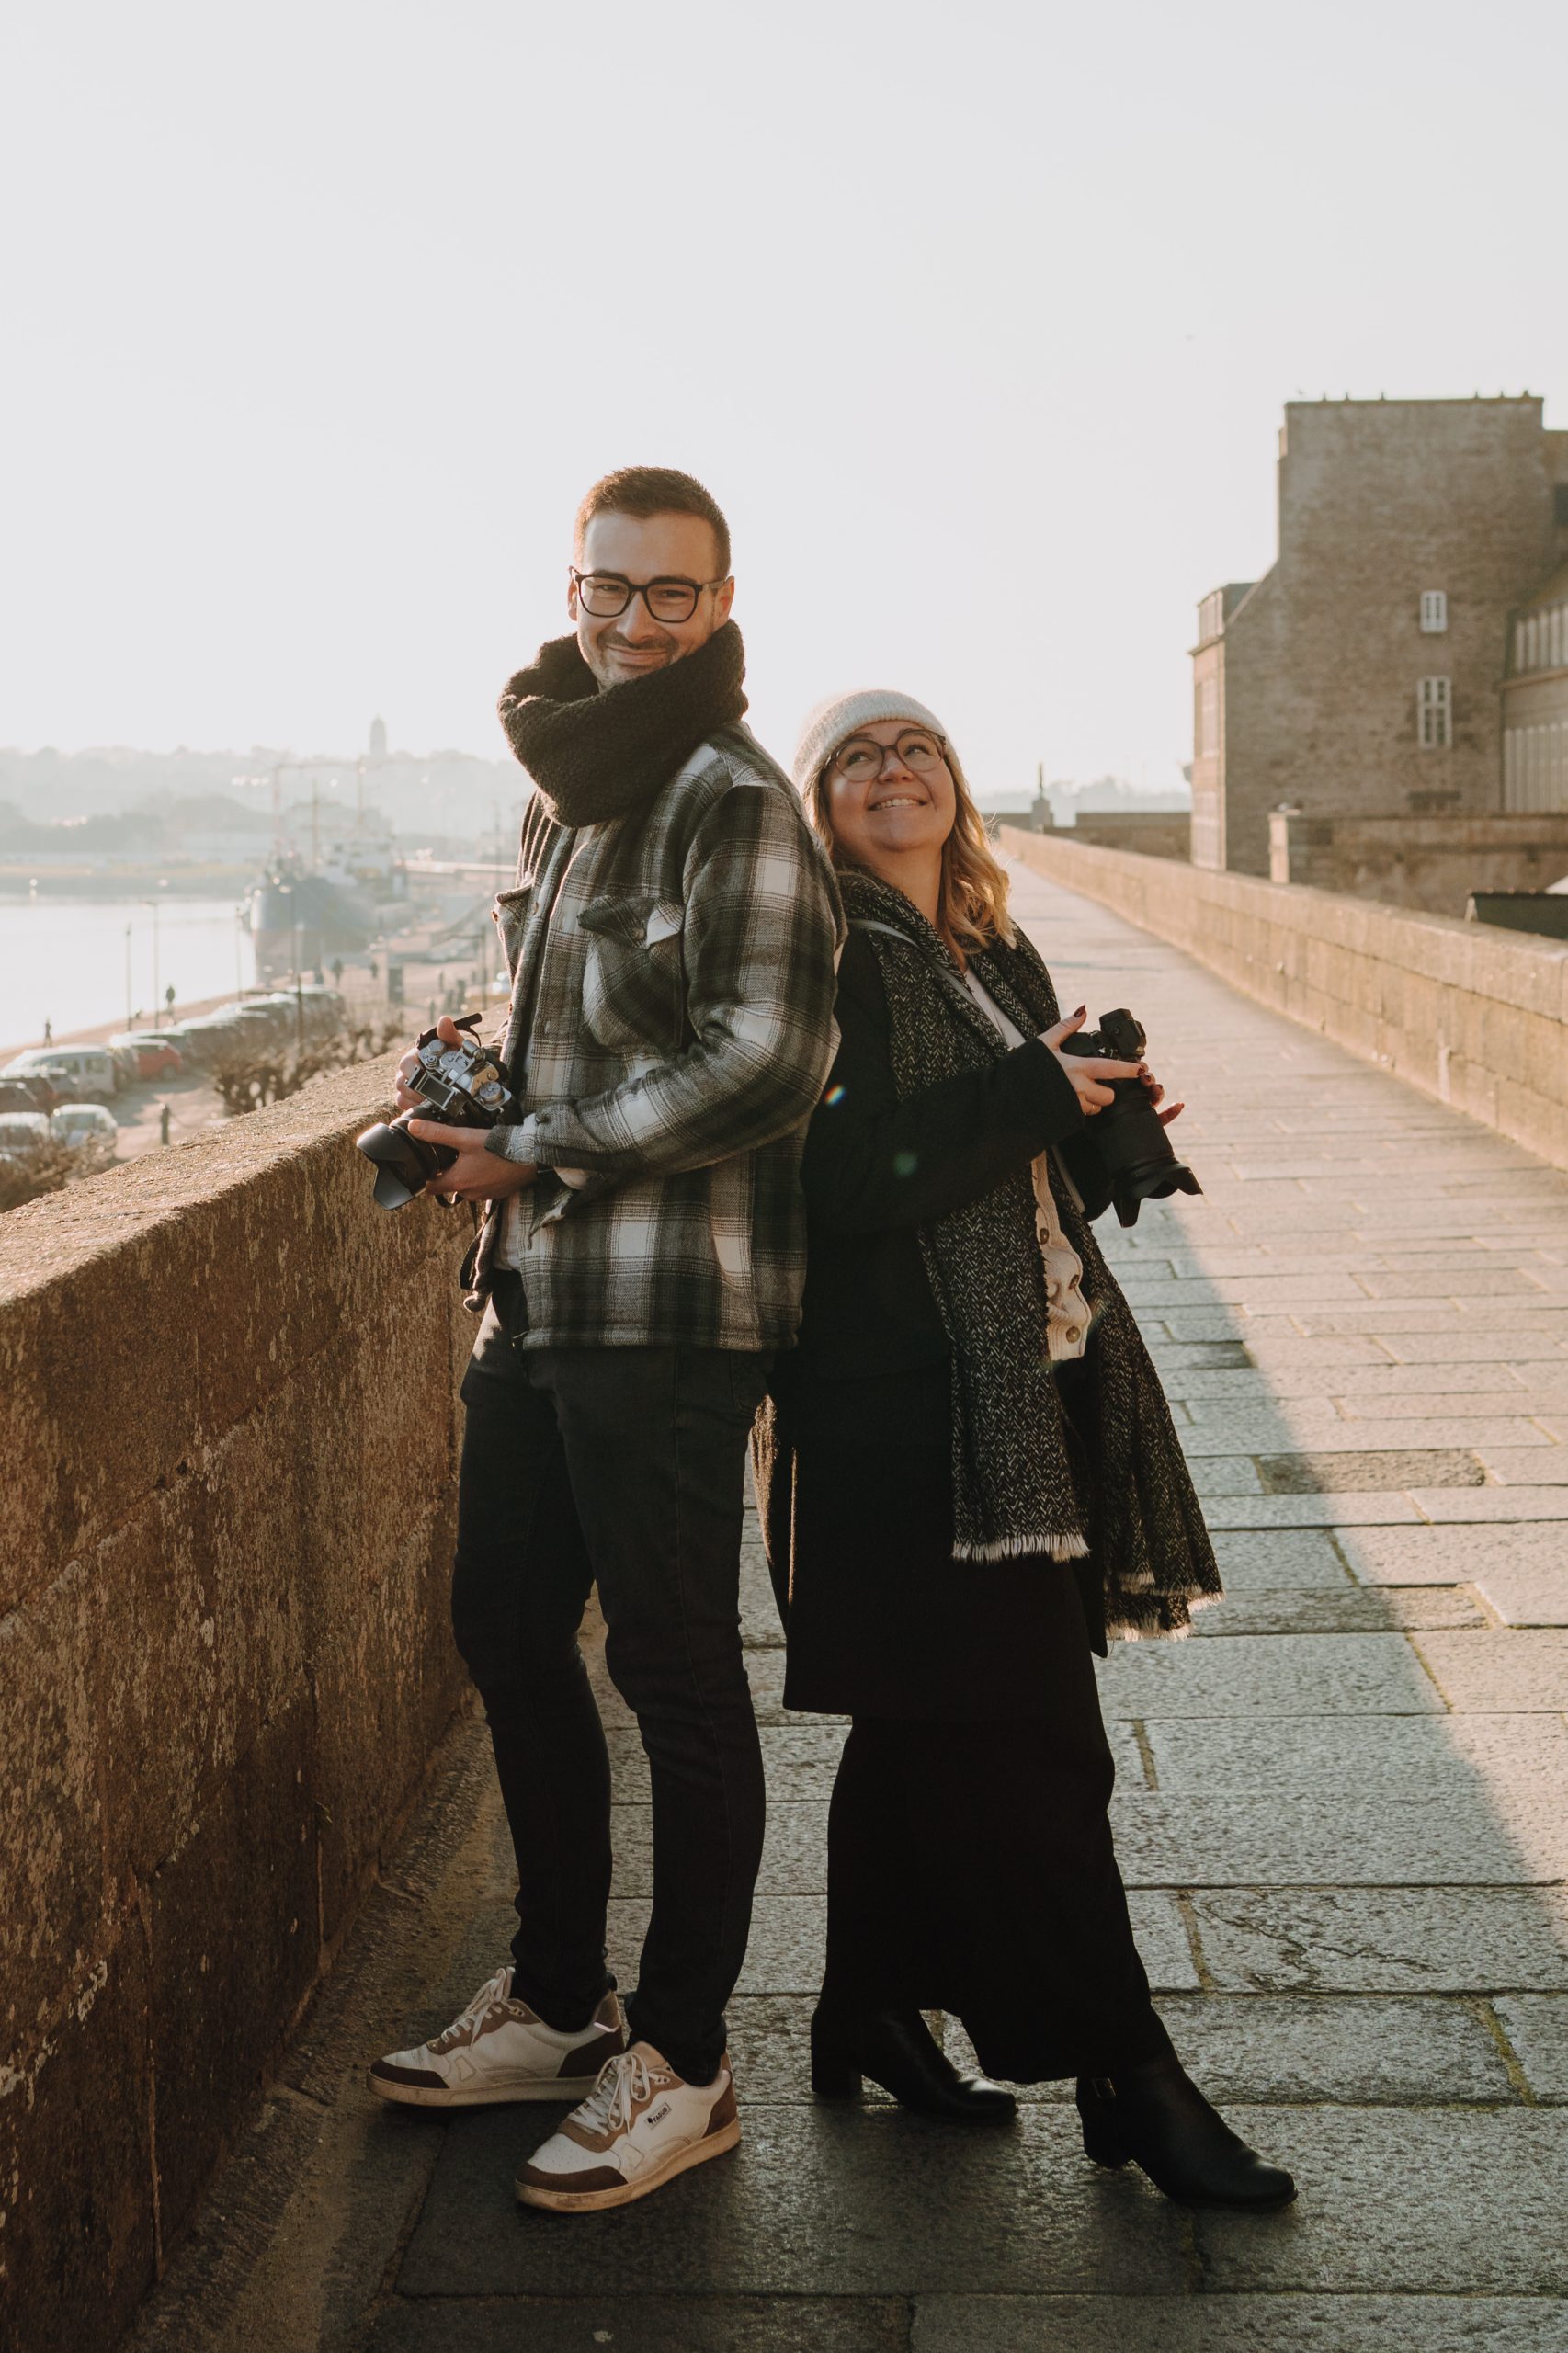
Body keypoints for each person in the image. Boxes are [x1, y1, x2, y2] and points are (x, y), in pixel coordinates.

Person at [369, 469, 843, 2215]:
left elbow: (769, 1056)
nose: (634, 621)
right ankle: (564, 1999)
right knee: (501, 1623)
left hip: (670, 1309)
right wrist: (471, 1082)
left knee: (672, 1672)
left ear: (719, 607)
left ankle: (691, 2059)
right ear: (570, 586)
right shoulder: (566, 799)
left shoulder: (731, 799)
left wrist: (544, 1142)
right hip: (536, 1288)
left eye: (672, 597)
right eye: (610, 588)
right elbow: (559, 1023)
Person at [754, 689, 1295, 2210]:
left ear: (956, 787)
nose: (889, 770)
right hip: (904, 1419)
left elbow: (996, 1146)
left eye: (914, 747)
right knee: (1044, 1752)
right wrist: (1026, 1093)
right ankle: (1130, 2075)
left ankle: (863, 2005)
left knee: (926, 1728)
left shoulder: (988, 949)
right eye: (854, 758)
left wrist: (1094, 1122)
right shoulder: (830, 957)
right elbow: (844, 1174)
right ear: (823, 809)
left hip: (1029, 1383)